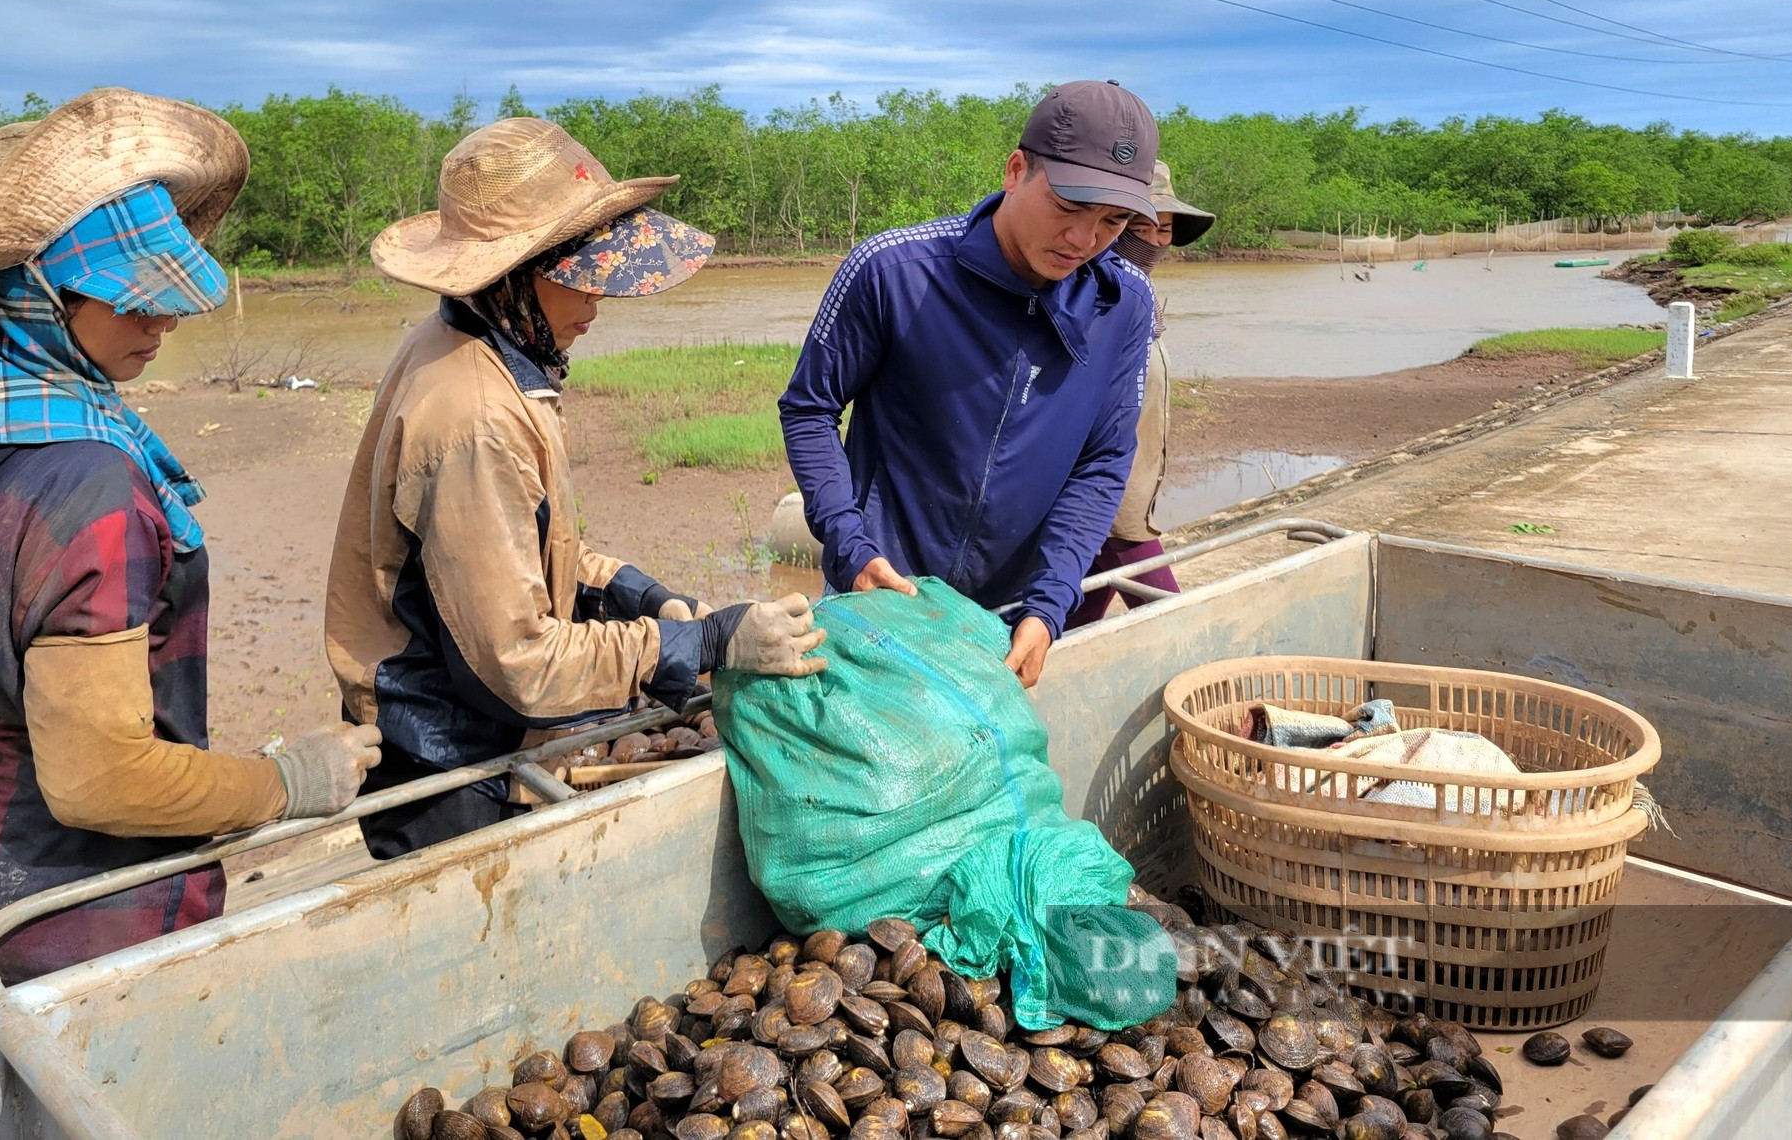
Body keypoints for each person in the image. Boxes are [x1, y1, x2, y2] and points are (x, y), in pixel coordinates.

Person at [0, 89, 382, 985]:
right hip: (67, 923)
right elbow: (99, 779)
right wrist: (286, 783)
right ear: (35, 291)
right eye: (129, 299)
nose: (164, 321)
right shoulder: (88, 483)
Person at [325, 117, 826, 859]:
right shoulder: (476, 416)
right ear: (511, 276)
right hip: (446, 759)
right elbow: (519, 663)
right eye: (579, 275)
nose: (598, 297)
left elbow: (526, 543)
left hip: (461, 719)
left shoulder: (471, 346)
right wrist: (704, 641)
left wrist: (633, 592)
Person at [779, 81, 1158, 687]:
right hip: (881, 596)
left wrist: (1051, 600)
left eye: (1112, 221)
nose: (1084, 241)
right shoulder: (894, 273)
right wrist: (849, 544)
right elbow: (808, 408)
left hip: (1011, 618)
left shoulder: (1125, 304)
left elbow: (1104, 459)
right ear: (1015, 171)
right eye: (1068, 207)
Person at [1066, 160, 1217, 628]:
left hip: (1131, 490)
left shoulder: (1140, 297)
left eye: (1166, 229)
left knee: (1078, 615)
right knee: (1169, 619)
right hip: (1109, 500)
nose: (1155, 241)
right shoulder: (1086, 297)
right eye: (1140, 227)